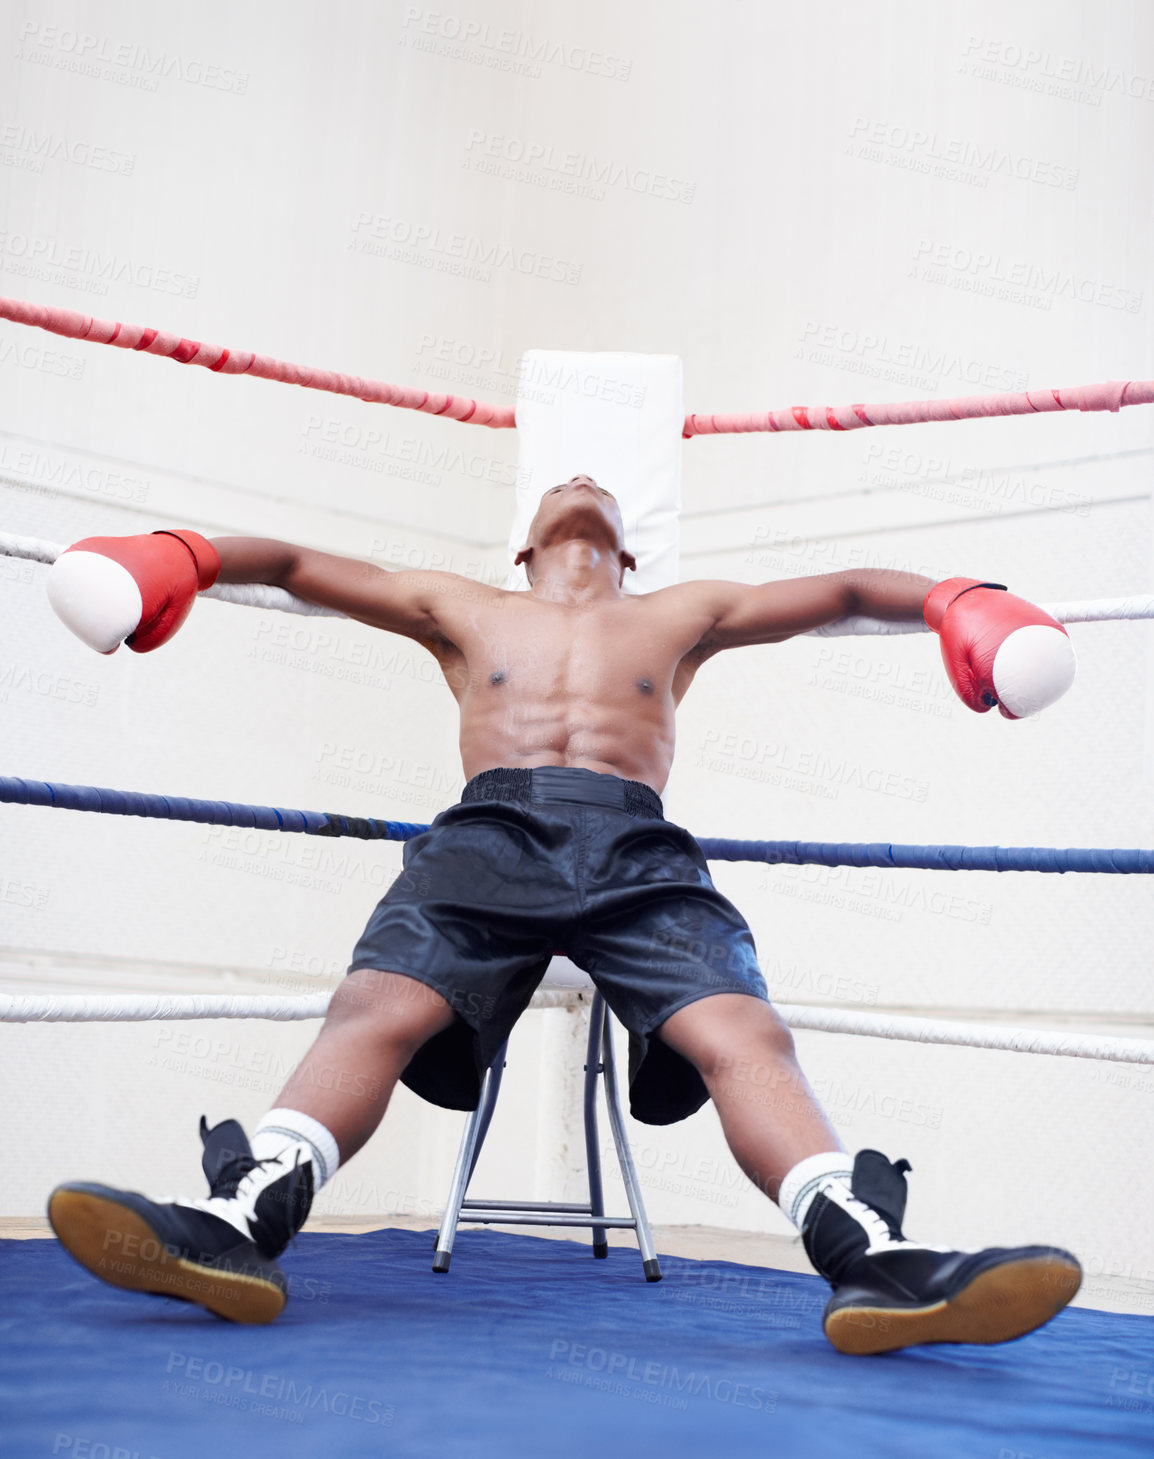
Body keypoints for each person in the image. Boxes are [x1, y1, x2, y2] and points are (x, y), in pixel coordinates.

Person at [46, 476, 1082, 1351]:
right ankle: (238, 1221)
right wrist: (182, 552)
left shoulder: (686, 609)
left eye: (598, 483)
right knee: (376, 1005)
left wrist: (960, 599)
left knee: (741, 1027)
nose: (580, 477)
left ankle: (872, 1257)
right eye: (558, 479)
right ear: (521, 542)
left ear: (628, 551)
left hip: (635, 843)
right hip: (489, 834)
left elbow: (848, 588)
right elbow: (291, 562)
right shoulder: (454, 602)